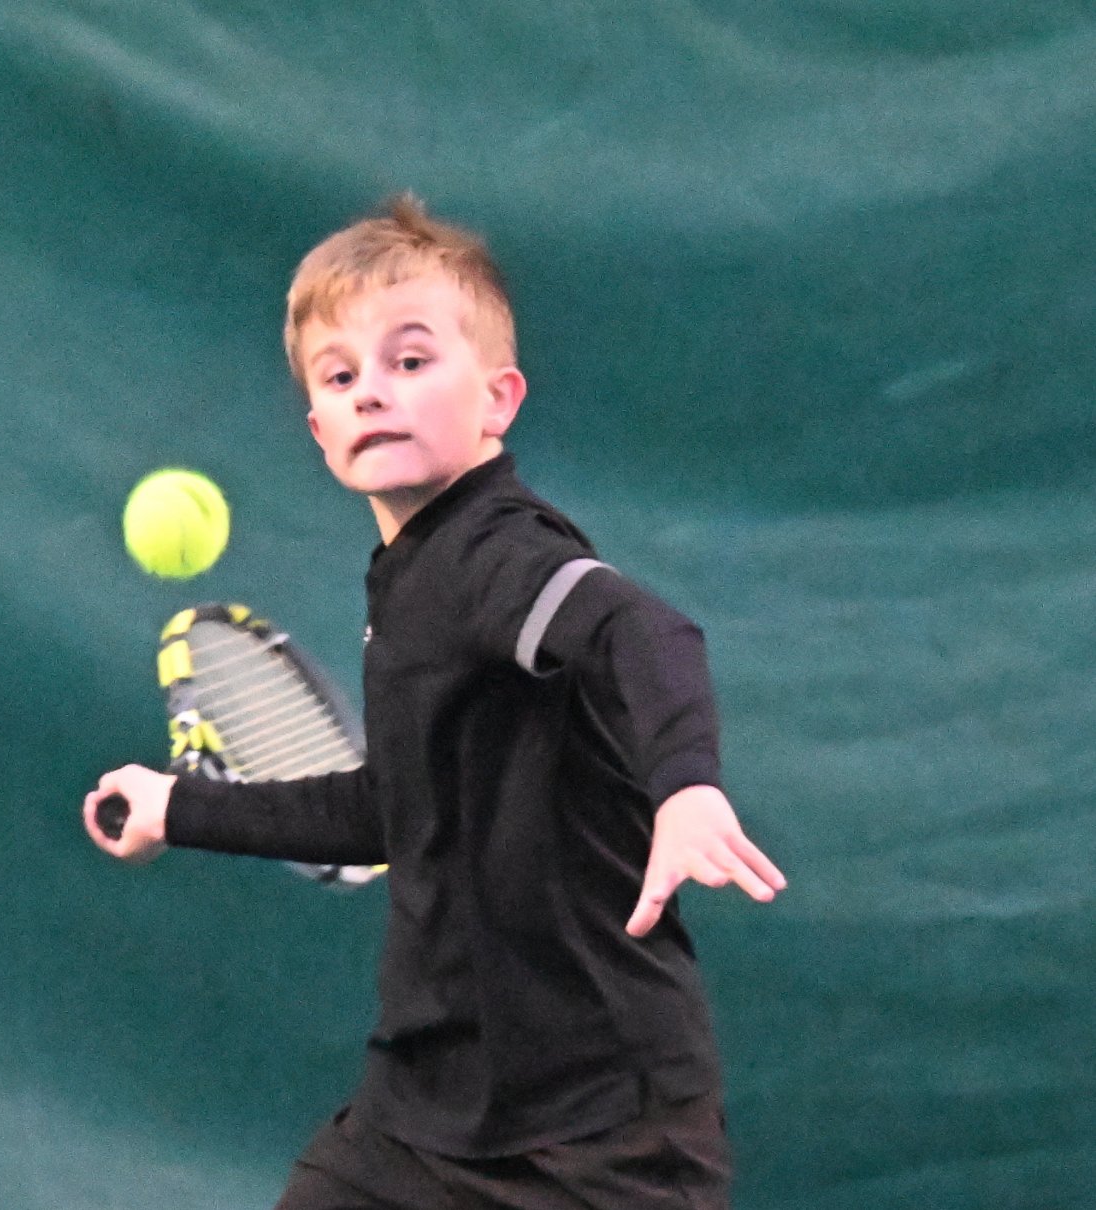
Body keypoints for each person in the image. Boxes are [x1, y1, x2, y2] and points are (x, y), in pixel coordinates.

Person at [83, 195, 786, 1209]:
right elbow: (389, 809)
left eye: (410, 360)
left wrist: (685, 785)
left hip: (599, 1136)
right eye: (340, 376)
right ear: (320, 430)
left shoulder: (497, 551)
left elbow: (641, 631)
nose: (373, 390)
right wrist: (179, 807)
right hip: (426, 1108)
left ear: (499, 400)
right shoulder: (408, 578)